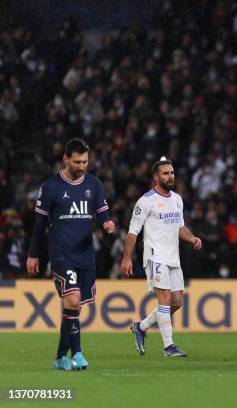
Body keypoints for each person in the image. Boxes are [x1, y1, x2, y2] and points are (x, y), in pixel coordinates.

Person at [26, 138, 115, 371]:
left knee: (73, 307)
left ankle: (59, 357)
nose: (82, 166)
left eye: (85, 162)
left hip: (85, 255)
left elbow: (103, 215)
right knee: (73, 299)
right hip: (61, 253)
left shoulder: (94, 184)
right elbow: (39, 225)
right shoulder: (50, 187)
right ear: (66, 159)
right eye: (77, 162)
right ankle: (77, 354)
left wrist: (107, 225)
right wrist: (33, 254)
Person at [120, 157, 202, 357]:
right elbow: (133, 231)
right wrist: (127, 258)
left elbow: (180, 227)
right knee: (164, 298)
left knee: (176, 302)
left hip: (173, 257)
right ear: (156, 177)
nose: (170, 176)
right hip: (155, 256)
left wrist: (192, 238)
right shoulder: (146, 201)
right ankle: (169, 347)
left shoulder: (176, 199)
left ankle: (141, 327)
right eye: (166, 173)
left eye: (172, 173)